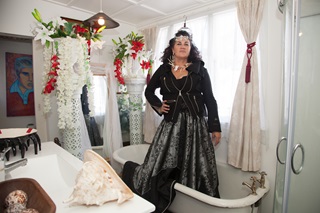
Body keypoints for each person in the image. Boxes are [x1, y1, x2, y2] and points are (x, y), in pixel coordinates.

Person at [122, 29, 221, 213]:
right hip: (170, 124)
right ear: (172, 49)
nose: (183, 46)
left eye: (187, 44)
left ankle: (191, 198)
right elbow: (149, 91)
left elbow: (209, 98)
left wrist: (215, 126)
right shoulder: (164, 70)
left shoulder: (200, 69)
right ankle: (165, 194)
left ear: (191, 48)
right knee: (161, 161)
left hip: (195, 125)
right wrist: (159, 107)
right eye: (179, 44)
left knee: (194, 160)